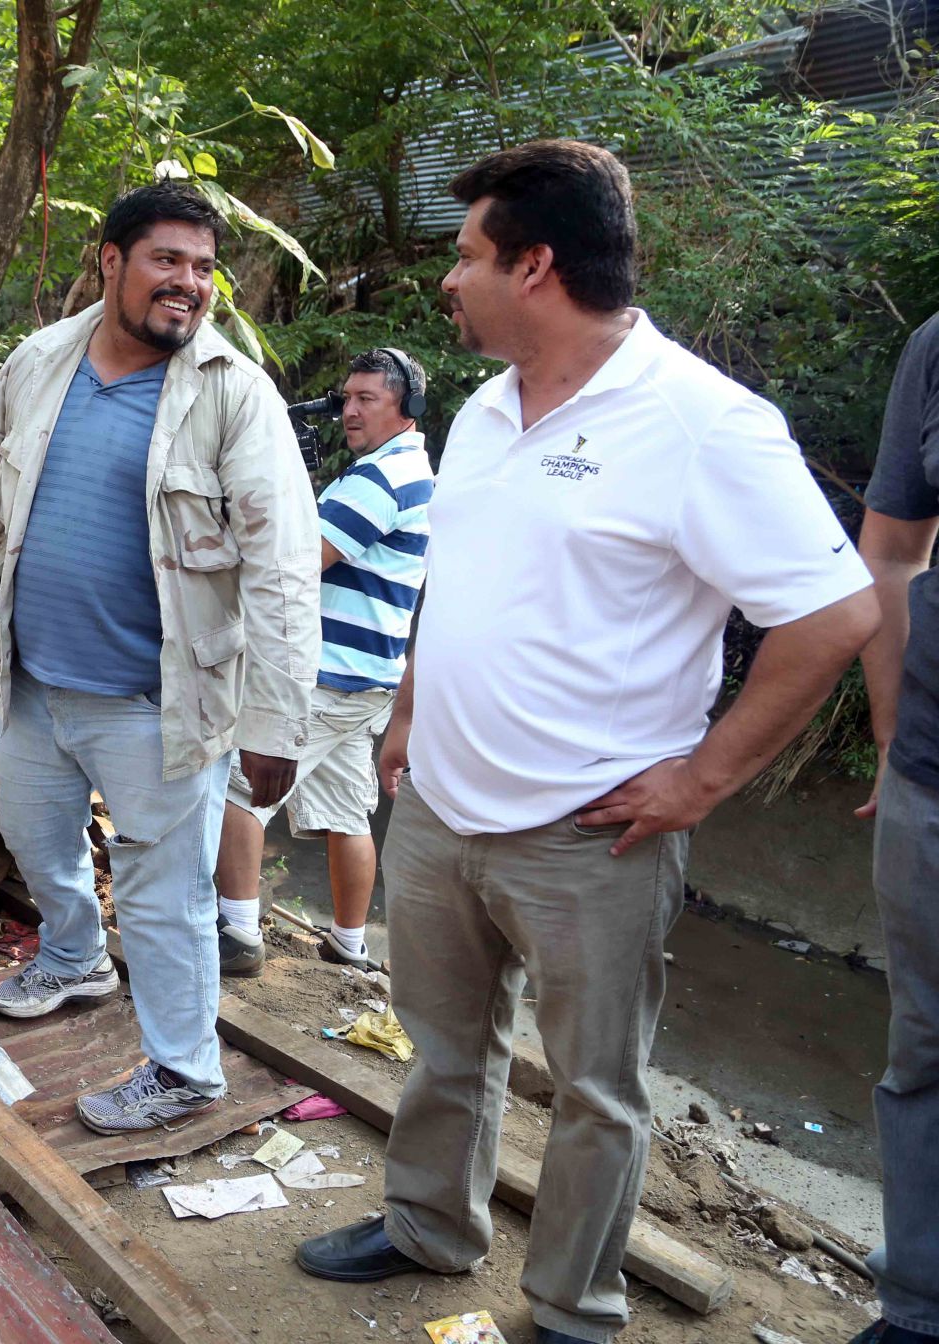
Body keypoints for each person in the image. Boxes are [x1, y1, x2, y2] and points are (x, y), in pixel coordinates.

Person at [293, 141, 878, 1344]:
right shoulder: (487, 410)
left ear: (537, 264)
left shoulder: (705, 423)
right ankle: (427, 1228)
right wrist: (406, 714)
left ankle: (569, 1311)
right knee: (445, 1050)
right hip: (443, 811)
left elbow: (834, 615)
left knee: (595, 1097)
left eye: (466, 257)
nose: (448, 282)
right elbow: (453, 578)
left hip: (589, 838)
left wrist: (702, 780)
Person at [0, 181, 320, 1134]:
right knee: (39, 848)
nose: (190, 284)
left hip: (156, 704)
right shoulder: (39, 364)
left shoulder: (233, 396)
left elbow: (284, 572)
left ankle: (185, 1071)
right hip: (33, 683)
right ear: (111, 260)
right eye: (169, 261)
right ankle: (76, 959)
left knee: (166, 900)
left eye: (205, 269)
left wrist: (276, 725)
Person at [216, 348, 434, 976]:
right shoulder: (399, 471)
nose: (349, 410)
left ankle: (236, 934)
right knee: (345, 808)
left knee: (238, 786)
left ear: (408, 408)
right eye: (347, 397)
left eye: (367, 398)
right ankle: (349, 943)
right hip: (368, 675)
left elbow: (297, 560)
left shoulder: (380, 479)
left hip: (330, 672)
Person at [852, 308, 939, 1344]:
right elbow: (892, 551)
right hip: (927, 776)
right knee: (923, 1052)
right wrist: (888, 729)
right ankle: (917, 1309)